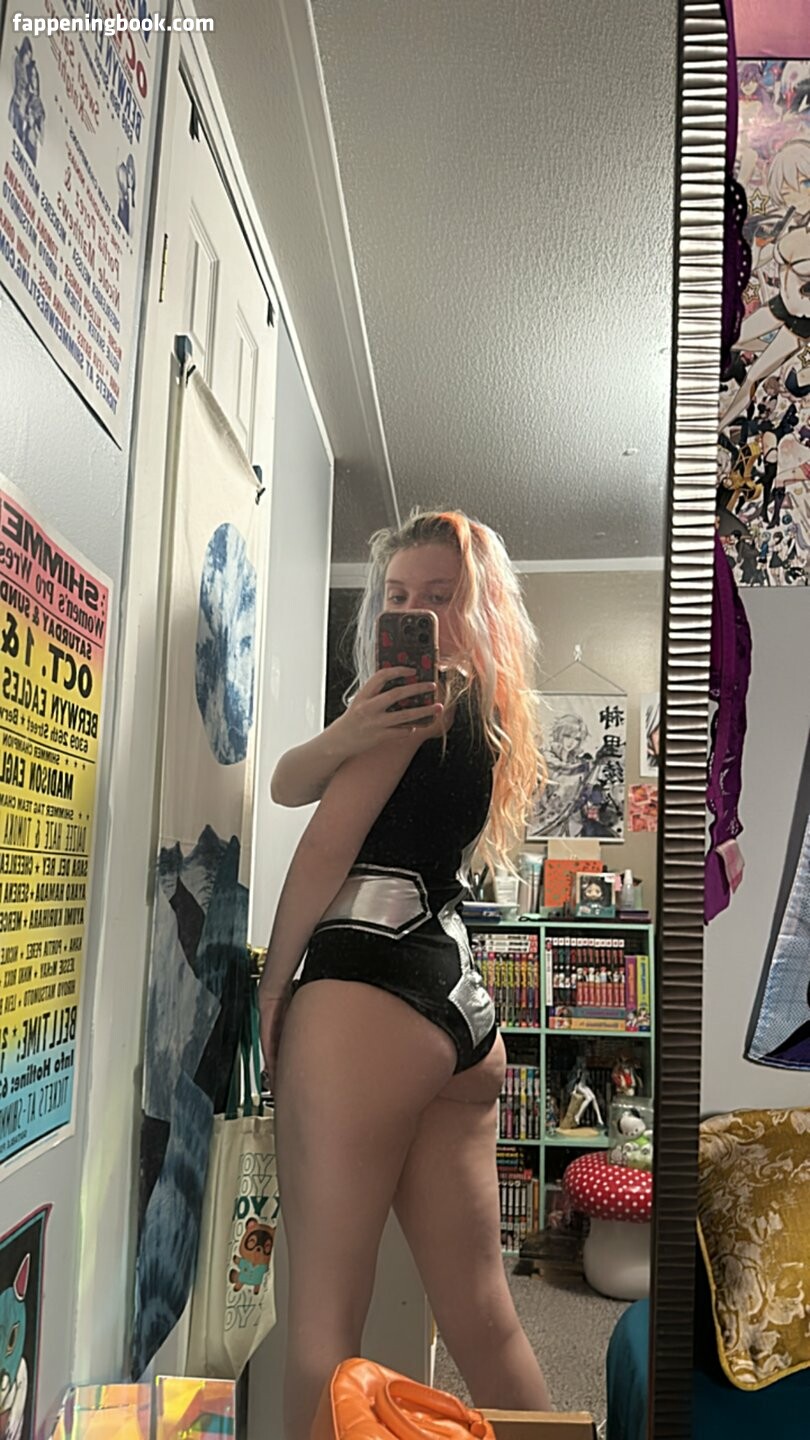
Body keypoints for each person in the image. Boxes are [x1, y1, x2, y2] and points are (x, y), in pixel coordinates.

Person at [259, 509, 551, 1439]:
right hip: (458, 1008)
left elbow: (321, 848)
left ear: (477, 607)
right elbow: (290, 779)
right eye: (397, 596)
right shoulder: (478, 707)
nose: (413, 610)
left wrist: (273, 991)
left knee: (321, 1328)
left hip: (365, 996)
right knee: (484, 1316)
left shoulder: (416, 702)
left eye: (439, 595)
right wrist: (352, 725)